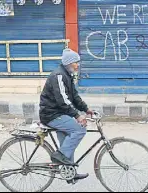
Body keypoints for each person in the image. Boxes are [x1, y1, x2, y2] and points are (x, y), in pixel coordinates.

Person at [39, 48, 93, 181]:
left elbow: (74, 96)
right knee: (79, 129)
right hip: (51, 114)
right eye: (76, 62)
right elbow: (63, 101)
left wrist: (86, 109)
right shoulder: (58, 76)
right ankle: (59, 156)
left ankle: (69, 172)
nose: (78, 65)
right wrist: (77, 115)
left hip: (59, 113)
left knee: (68, 143)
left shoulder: (67, 75)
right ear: (69, 63)